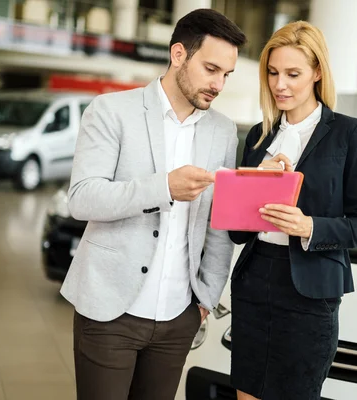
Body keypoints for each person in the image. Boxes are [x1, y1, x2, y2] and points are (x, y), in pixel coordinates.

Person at [60, 9, 246, 400]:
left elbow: (218, 221)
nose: (219, 84)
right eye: (211, 68)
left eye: (226, 74)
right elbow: (82, 198)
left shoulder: (223, 130)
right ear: (178, 54)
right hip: (109, 309)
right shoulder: (111, 111)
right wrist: (163, 187)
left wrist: (205, 299)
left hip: (179, 316)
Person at [228, 21, 357, 400]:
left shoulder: (349, 133)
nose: (280, 84)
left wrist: (309, 226)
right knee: (246, 392)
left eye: (293, 74)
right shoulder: (259, 137)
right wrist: (249, 187)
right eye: (274, 73)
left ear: (316, 73)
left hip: (310, 292)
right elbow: (237, 231)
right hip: (255, 279)